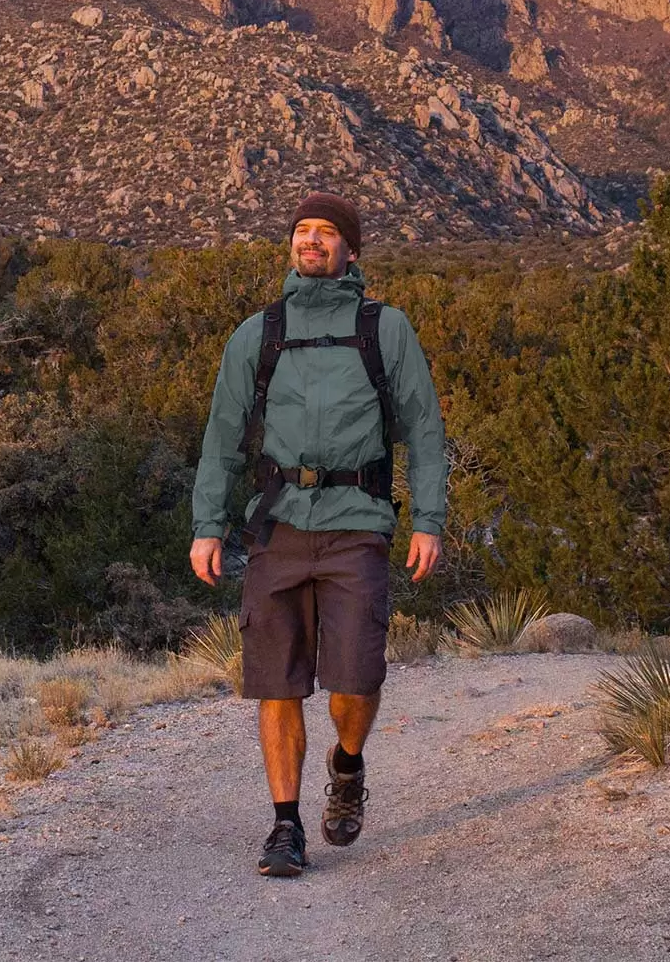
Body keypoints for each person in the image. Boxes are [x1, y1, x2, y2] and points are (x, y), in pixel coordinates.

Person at [189, 191, 447, 877]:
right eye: (302, 229)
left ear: (351, 250)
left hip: (356, 526)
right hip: (278, 527)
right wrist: (206, 526)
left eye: (326, 232)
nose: (311, 240)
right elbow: (220, 436)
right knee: (277, 682)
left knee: (356, 677)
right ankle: (284, 826)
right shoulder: (259, 332)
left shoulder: (384, 328)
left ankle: (348, 761)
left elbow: (424, 428)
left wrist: (429, 519)